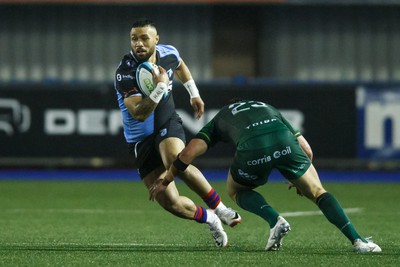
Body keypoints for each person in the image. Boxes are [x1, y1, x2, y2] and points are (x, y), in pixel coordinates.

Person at [149, 99, 382, 253]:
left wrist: (167, 179)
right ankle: (358, 241)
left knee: (236, 189)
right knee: (318, 192)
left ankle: (275, 220)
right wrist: (298, 179)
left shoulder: (219, 120)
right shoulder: (269, 108)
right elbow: (307, 149)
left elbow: (188, 154)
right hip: (284, 141)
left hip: (253, 149)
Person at [113, 19, 241, 248]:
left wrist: (194, 93)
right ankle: (210, 218)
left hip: (165, 118)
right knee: (169, 201)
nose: (139, 44)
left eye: (144, 38)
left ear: (156, 39)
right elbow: (139, 114)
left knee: (175, 159)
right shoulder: (126, 72)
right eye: (134, 39)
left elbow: (179, 65)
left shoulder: (168, 53)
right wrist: (160, 87)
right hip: (140, 136)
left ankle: (220, 208)